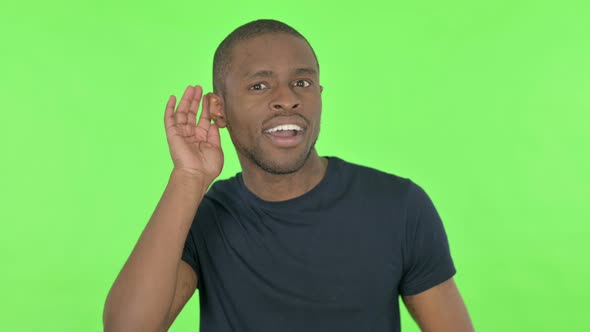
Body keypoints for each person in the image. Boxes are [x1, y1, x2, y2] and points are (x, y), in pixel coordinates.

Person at [103, 19, 474, 332]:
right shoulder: (202, 216)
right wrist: (188, 178)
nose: (287, 99)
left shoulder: (398, 205)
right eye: (259, 86)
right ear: (219, 109)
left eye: (302, 82)